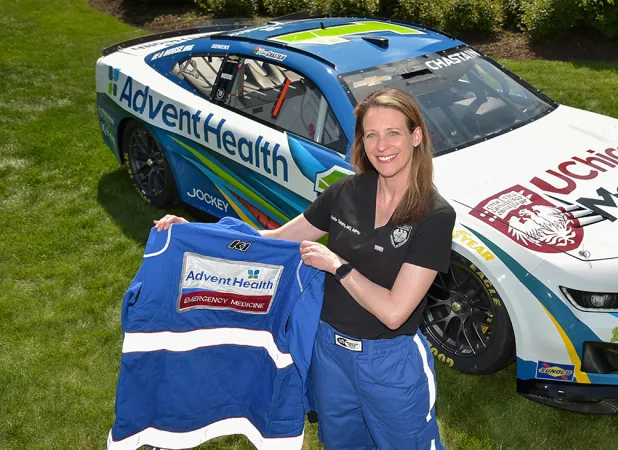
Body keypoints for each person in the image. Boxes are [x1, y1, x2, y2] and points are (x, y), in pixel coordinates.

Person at [154, 87, 456, 449]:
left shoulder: (434, 216)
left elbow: (394, 312)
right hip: (329, 353)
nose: (381, 146)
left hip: (389, 362)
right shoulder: (346, 191)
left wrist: (337, 266)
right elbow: (277, 239)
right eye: (371, 134)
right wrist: (193, 232)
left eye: (393, 133)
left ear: (416, 136)